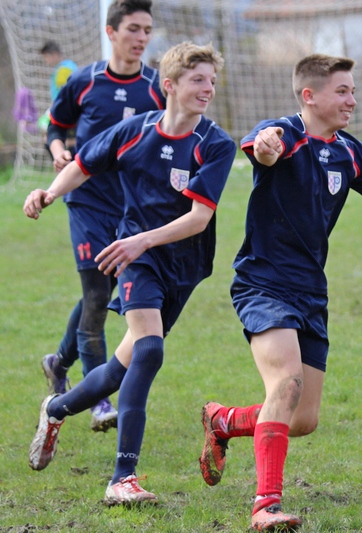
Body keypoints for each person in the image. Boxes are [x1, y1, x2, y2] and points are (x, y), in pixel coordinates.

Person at [197, 53, 362, 530]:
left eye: (353, 91)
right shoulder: (285, 134)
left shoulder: (349, 152)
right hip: (263, 284)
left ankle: (227, 421)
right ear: (309, 95)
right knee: (286, 384)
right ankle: (265, 506)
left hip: (311, 292)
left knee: (302, 419)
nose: (352, 100)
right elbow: (261, 147)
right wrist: (268, 146)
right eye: (343, 91)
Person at [25, 41, 235, 506]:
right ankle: (123, 477)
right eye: (198, 79)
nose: (208, 89)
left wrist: (146, 239)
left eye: (212, 81)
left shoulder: (214, 145)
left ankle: (57, 408)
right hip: (134, 257)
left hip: (183, 265)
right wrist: (49, 193)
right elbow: (82, 164)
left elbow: (199, 218)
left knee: (122, 368)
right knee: (151, 350)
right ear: (171, 85)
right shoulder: (135, 131)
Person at [40, 0, 167, 433]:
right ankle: (99, 400)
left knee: (104, 292)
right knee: (97, 294)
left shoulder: (156, 88)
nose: (142, 38)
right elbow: (55, 127)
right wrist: (59, 153)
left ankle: (59, 362)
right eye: (133, 28)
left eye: (147, 30)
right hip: (87, 201)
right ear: (111, 33)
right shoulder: (85, 81)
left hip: (133, 209)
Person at [38, 41, 78, 143]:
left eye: (46, 57)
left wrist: (54, 109)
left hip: (65, 111)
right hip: (66, 111)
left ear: (55, 54)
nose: (46, 61)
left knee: (52, 137)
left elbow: (65, 94)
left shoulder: (64, 70)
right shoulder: (67, 67)